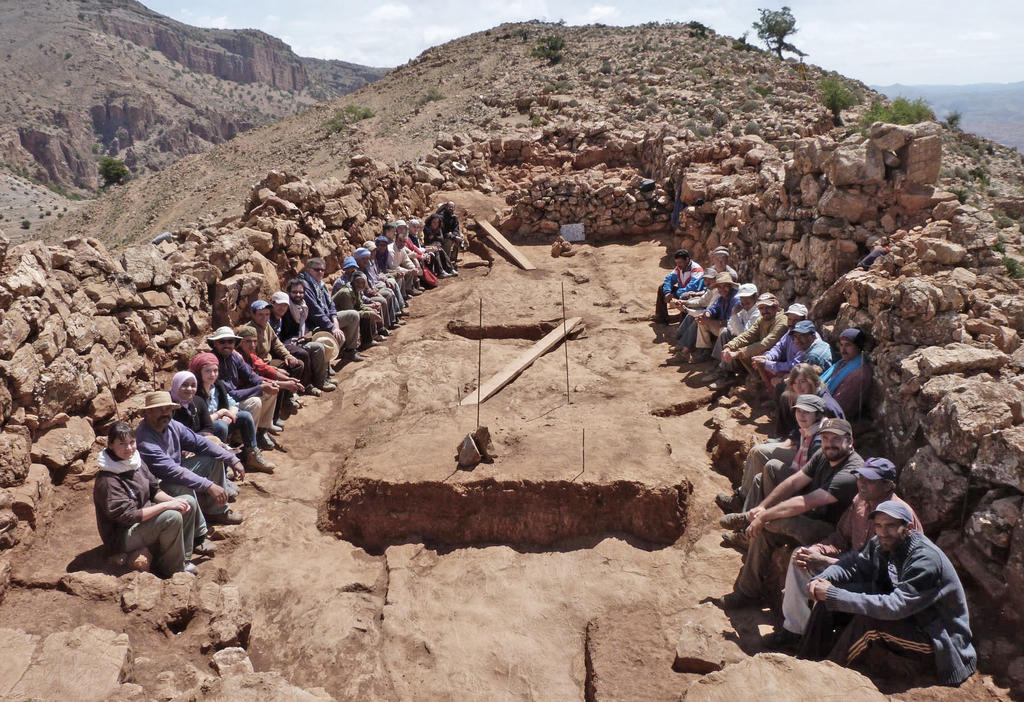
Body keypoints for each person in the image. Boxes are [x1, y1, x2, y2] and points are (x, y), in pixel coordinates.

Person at [799, 500, 976, 687]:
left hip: (939, 640)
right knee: (827, 603)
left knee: (868, 622)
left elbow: (895, 607)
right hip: (911, 618)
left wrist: (834, 594)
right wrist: (824, 579)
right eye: (878, 526)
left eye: (890, 526)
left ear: (907, 527)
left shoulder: (925, 560)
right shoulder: (882, 543)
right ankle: (804, 662)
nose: (883, 532)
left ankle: (823, 680)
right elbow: (854, 564)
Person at [762, 458, 921, 650]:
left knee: (826, 591)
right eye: (860, 477)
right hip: (850, 565)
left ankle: (819, 647)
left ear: (888, 485)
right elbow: (840, 537)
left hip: (879, 584)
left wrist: (826, 562)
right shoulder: (859, 501)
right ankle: (795, 631)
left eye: (869, 480)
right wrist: (816, 551)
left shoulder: (900, 516)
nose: (862, 483)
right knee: (800, 557)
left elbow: (879, 572)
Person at [720, 418, 863, 608]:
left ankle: (747, 521)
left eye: (835, 439)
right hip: (812, 517)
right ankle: (746, 593)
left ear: (850, 441)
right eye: (825, 438)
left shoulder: (851, 473)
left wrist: (764, 516)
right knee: (763, 530)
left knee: (769, 523)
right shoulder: (824, 455)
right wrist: (763, 507)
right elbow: (794, 482)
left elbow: (806, 502)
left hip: (830, 534)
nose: (829, 443)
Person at [135, 391, 244, 544]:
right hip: (157, 485)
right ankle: (198, 536)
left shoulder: (172, 425)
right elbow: (172, 471)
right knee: (183, 487)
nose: (165, 413)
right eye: (160, 410)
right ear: (148, 412)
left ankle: (216, 511)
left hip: (175, 471)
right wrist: (209, 485)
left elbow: (200, 443)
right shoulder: (145, 440)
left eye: (168, 409)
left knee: (213, 459)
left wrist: (232, 458)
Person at [94, 422, 200, 576]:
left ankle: (183, 558)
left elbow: (154, 490)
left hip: (143, 521)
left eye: (132, 442)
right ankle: (173, 568)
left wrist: (174, 502)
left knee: (187, 501)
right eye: (122, 444)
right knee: (171, 516)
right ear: (110, 445)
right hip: (122, 536)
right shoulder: (108, 480)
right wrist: (167, 506)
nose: (129, 448)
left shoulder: (134, 462)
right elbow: (129, 516)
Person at [717, 393, 826, 520]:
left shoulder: (819, 440)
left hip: (807, 491)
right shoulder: (811, 428)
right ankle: (745, 518)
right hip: (800, 465)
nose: (801, 415)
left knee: (770, 467)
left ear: (817, 415)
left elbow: (810, 477)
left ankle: (753, 519)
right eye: (799, 411)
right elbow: (795, 440)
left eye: (806, 412)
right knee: (759, 478)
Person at [189, 353, 273, 472]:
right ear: (198, 372)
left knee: (245, 416)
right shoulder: (193, 391)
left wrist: (231, 414)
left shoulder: (217, 386)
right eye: (208, 371)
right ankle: (222, 466)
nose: (212, 375)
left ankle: (251, 455)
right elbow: (198, 422)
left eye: (215, 370)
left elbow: (233, 403)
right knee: (221, 425)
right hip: (202, 431)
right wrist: (220, 414)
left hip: (219, 422)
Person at [207, 326, 279, 450]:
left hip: (233, 399)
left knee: (271, 392)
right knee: (255, 402)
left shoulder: (234, 357)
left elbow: (251, 376)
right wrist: (261, 387)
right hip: (220, 404)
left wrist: (267, 384)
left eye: (230, 341)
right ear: (215, 343)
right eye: (222, 342)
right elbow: (229, 394)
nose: (227, 345)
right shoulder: (212, 362)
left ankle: (261, 432)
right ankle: (241, 440)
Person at [712, 293, 787, 389]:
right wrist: (729, 346)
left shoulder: (782, 321)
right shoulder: (762, 319)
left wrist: (738, 353)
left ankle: (765, 385)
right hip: (765, 351)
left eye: (767, 307)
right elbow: (748, 335)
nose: (764, 311)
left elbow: (766, 343)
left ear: (776, 306)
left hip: (777, 356)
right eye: (761, 308)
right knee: (742, 347)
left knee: (755, 352)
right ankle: (755, 377)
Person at [272, 283, 336, 394]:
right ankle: (308, 386)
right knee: (309, 351)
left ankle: (321, 380)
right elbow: (278, 337)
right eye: (294, 292)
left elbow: (310, 324)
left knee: (320, 344)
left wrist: (308, 335)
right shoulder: (284, 312)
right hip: (286, 343)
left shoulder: (303, 307)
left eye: (301, 292)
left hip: (297, 339)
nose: (298, 295)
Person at [298, 257, 364, 362]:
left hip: (327, 318)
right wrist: (332, 327)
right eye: (317, 269)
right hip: (314, 323)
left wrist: (335, 320)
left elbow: (331, 304)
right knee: (328, 338)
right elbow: (316, 312)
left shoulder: (321, 284)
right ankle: (326, 363)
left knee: (353, 315)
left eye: (322, 270)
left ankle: (350, 351)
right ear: (308, 270)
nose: (320, 272)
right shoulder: (305, 286)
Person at [776, 363, 844, 438]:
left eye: (802, 382)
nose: (798, 387)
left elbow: (839, 438)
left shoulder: (826, 406)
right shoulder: (806, 399)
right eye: (794, 383)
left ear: (812, 381)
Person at [821, 328, 873, 422]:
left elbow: (840, 405)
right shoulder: (842, 363)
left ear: (858, 347)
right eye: (841, 345)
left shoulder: (859, 374)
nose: (843, 350)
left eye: (848, 345)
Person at [752, 303, 809, 388]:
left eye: (795, 320)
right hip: (791, 370)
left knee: (775, 374)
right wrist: (767, 357)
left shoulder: (805, 338)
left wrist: (767, 364)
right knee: (761, 362)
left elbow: (795, 366)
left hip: (800, 374)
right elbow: (779, 347)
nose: (791, 323)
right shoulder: (790, 332)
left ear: (805, 320)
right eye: (789, 320)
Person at [691, 273, 740, 362]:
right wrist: (706, 314)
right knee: (702, 323)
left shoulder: (735, 299)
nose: (722, 290)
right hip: (722, 324)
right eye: (719, 287)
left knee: (723, 331)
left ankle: (720, 360)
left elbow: (729, 323)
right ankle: (705, 350)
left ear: (730, 286)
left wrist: (709, 321)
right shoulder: (722, 297)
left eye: (725, 286)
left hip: (734, 333)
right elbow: (714, 308)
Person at [655, 249, 705, 324]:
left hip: (695, 295)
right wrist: (667, 292)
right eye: (677, 263)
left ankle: (683, 323)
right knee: (662, 287)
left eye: (680, 262)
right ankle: (662, 318)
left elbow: (692, 287)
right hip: (682, 292)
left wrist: (675, 294)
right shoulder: (679, 268)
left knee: (685, 296)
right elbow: (669, 279)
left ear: (687, 259)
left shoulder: (697, 270)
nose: (678, 265)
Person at [436, 201, 465, 266]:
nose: (451, 208)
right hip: (440, 237)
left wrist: (456, 236)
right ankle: (445, 261)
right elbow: (443, 232)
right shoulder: (440, 217)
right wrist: (453, 237)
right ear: (446, 207)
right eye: (449, 207)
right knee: (449, 241)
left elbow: (456, 228)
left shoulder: (453, 217)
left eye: (452, 207)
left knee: (461, 236)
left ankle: (453, 258)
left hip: (449, 234)